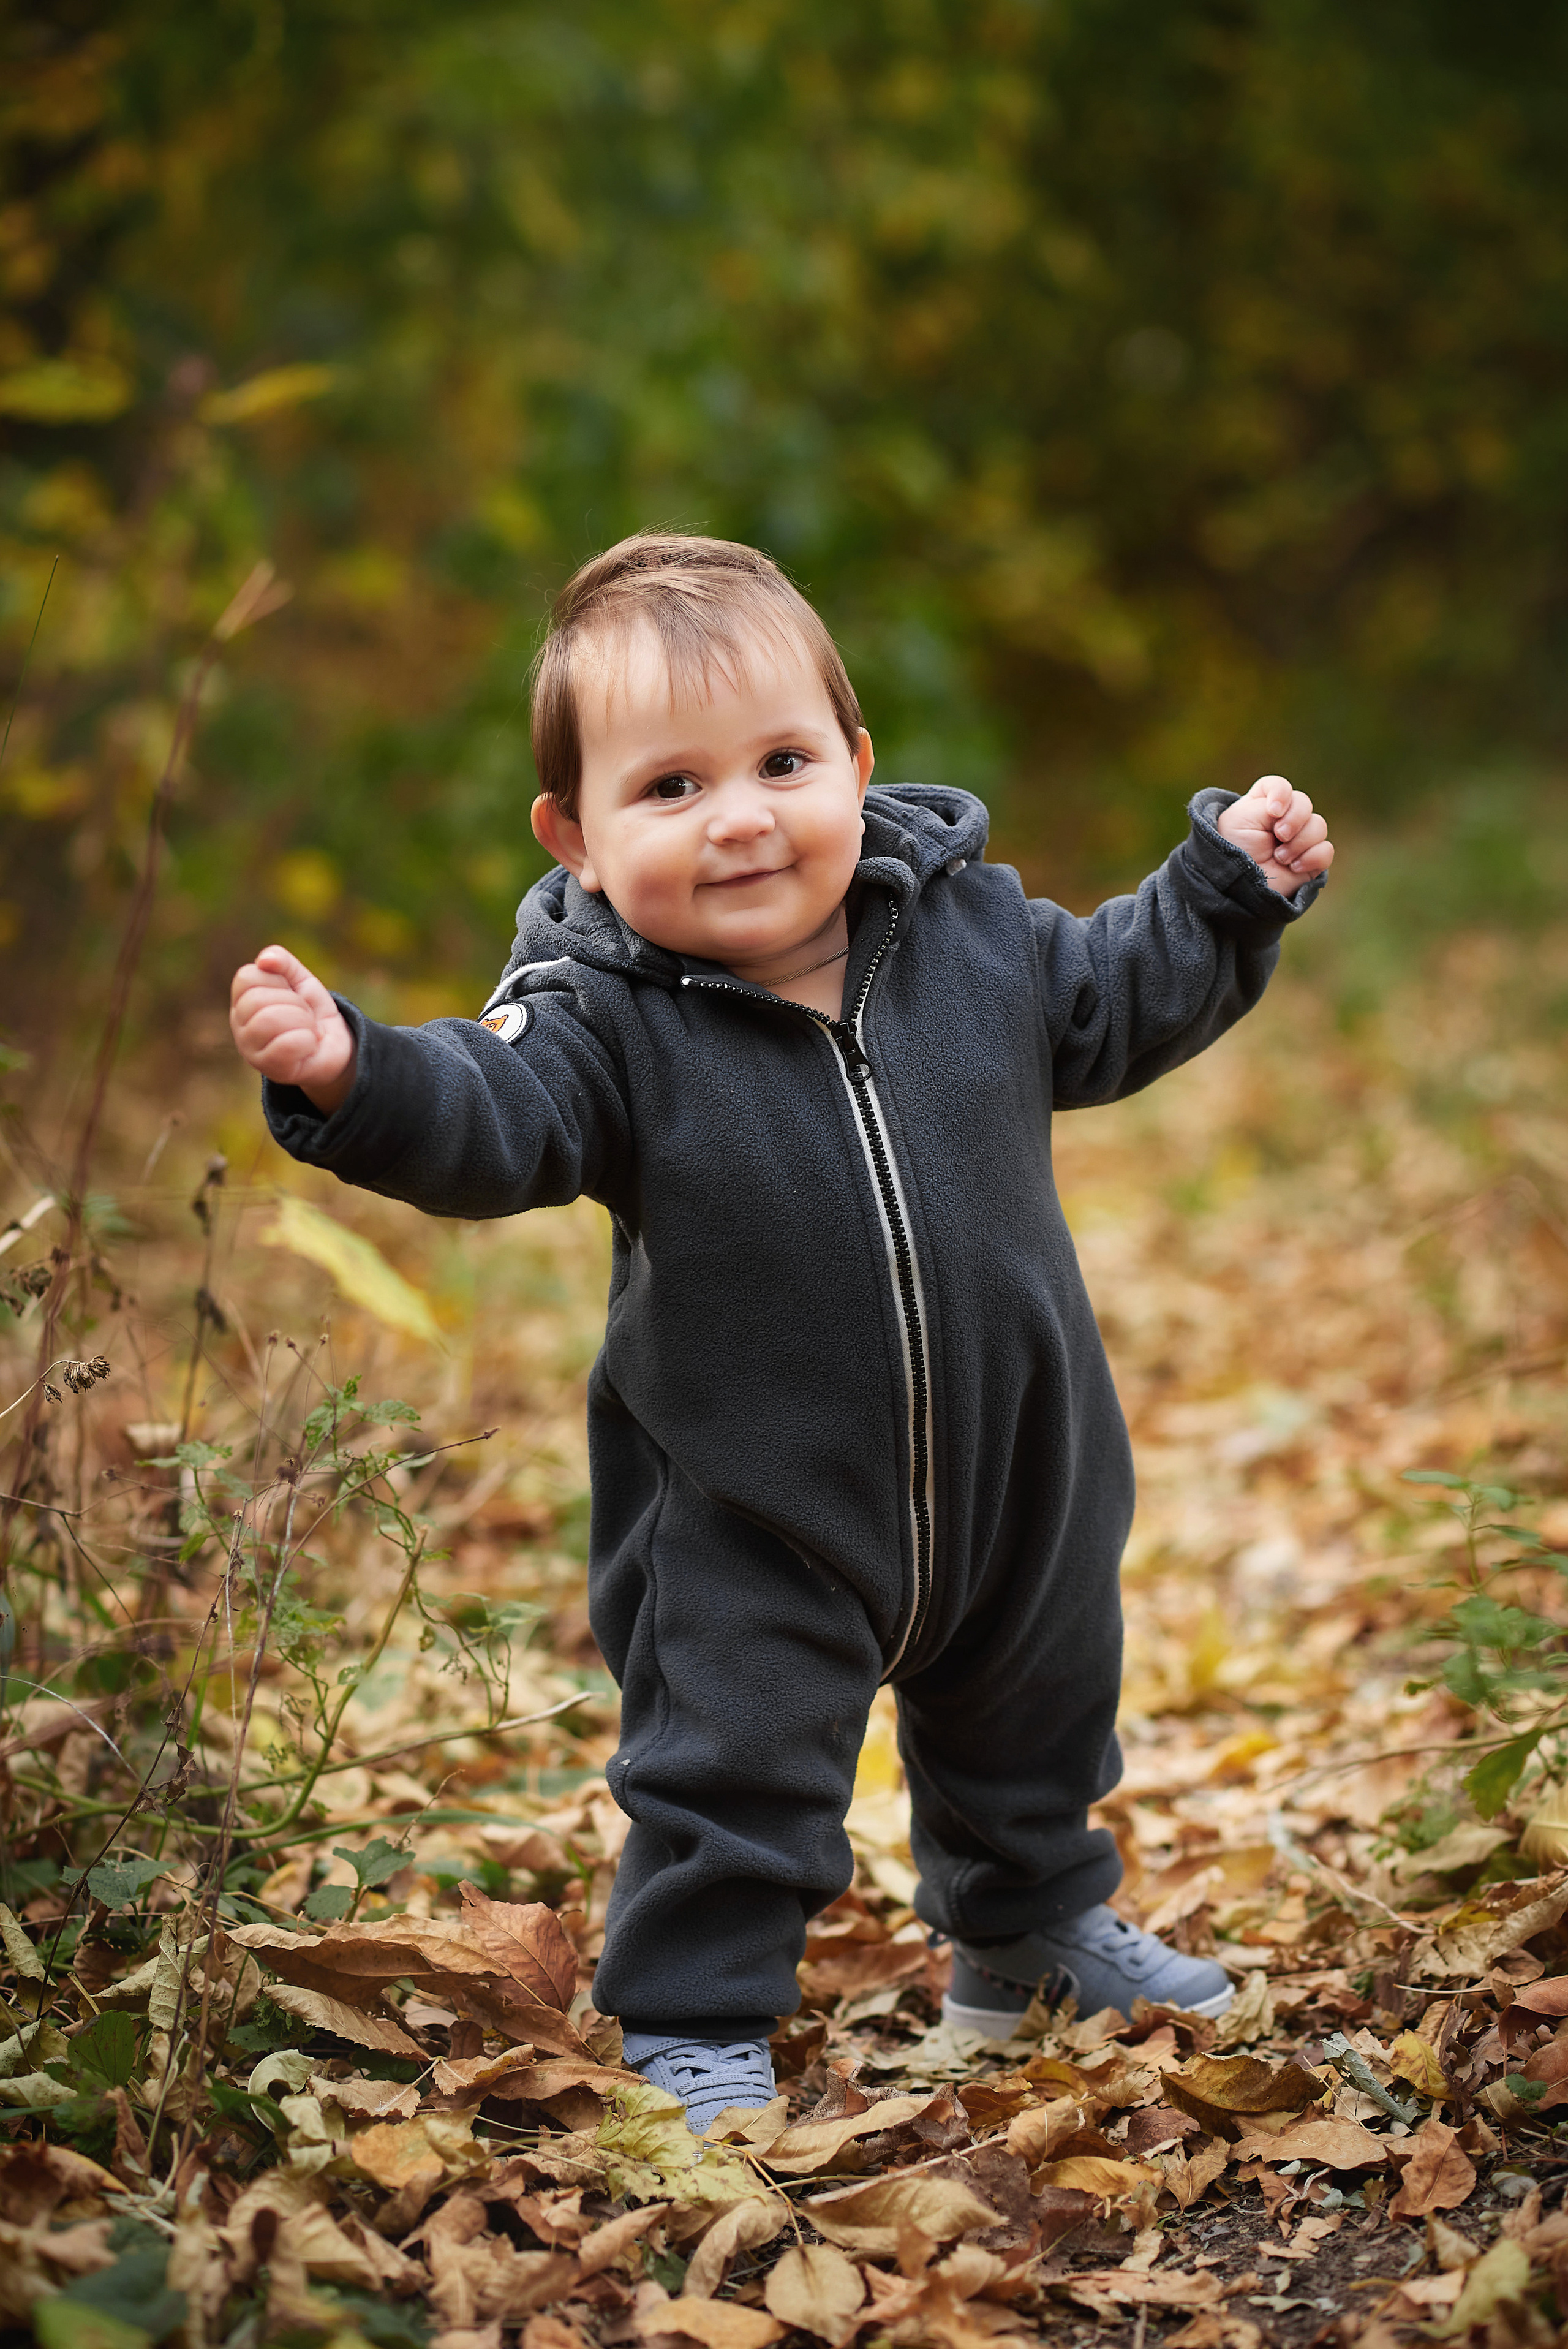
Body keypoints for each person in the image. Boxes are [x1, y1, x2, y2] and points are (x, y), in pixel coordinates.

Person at [230, 532, 1333, 2135]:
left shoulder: (972, 938)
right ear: (577, 836)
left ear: (858, 766)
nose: (740, 816)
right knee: (731, 1765)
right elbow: (498, 1110)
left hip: (1020, 1468)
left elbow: (1113, 997)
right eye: (670, 787)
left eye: (781, 764)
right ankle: (691, 2016)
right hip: (758, 1505)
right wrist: (358, 1070)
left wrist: (1224, 891)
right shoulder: (602, 1019)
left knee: (1036, 1717)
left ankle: (1027, 1933)